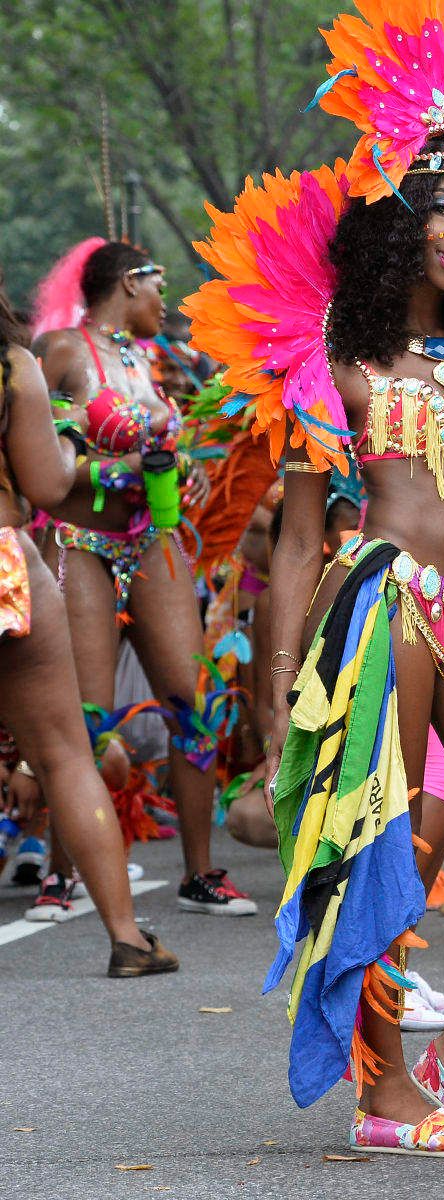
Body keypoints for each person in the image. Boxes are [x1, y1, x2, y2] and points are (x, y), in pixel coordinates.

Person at [189, 0, 444, 1156]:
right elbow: (295, 535)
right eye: (442, 209)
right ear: (396, 214)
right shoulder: (334, 348)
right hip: (383, 610)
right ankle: (386, 1098)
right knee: (379, 852)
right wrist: (278, 695)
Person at [30, 239, 251, 917]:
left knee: (195, 702)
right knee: (87, 716)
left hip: (150, 541)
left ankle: (199, 873)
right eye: (158, 287)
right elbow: (36, 455)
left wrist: (182, 469)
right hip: (81, 543)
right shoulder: (64, 350)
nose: (166, 301)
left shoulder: (144, 360)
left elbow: (160, 445)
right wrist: (114, 471)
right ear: (130, 282)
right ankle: (61, 873)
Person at [0, 265, 177, 976]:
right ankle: (129, 939)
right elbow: (46, 485)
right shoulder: (15, 365)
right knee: (66, 754)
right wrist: (70, 437)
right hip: (7, 565)